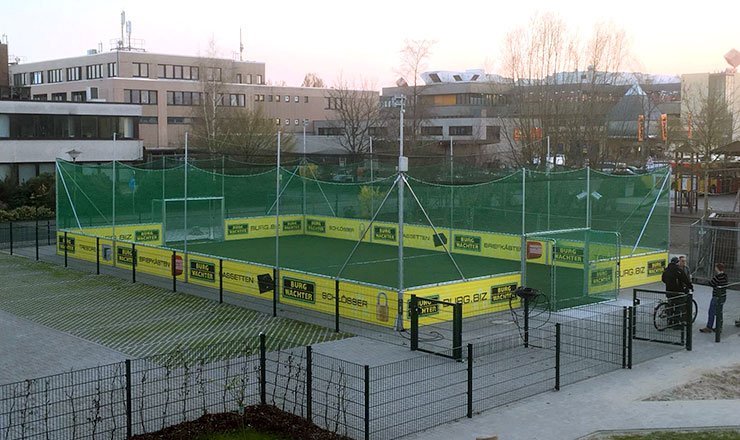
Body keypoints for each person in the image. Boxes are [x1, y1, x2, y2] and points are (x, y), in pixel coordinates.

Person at [662, 256, 692, 327]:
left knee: (671, 306)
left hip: (669, 291)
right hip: (678, 291)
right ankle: (676, 323)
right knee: (678, 307)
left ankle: (670, 322)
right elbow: (685, 279)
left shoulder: (666, 270)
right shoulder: (678, 271)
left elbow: (663, 279)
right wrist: (690, 286)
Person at [700, 263, 728, 334]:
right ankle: (719, 327)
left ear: (717, 268)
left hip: (716, 296)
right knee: (719, 312)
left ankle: (709, 327)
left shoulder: (717, 277)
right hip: (723, 296)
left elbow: (711, 283)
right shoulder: (725, 276)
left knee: (711, 311)